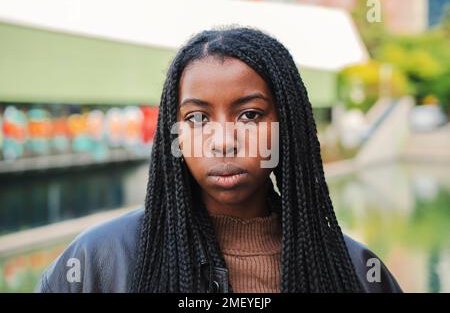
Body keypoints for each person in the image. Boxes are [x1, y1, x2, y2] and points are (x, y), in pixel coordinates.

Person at [36, 27, 402, 293]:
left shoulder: (358, 273)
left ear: (287, 126)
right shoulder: (95, 263)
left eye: (250, 115)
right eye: (197, 119)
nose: (223, 142)